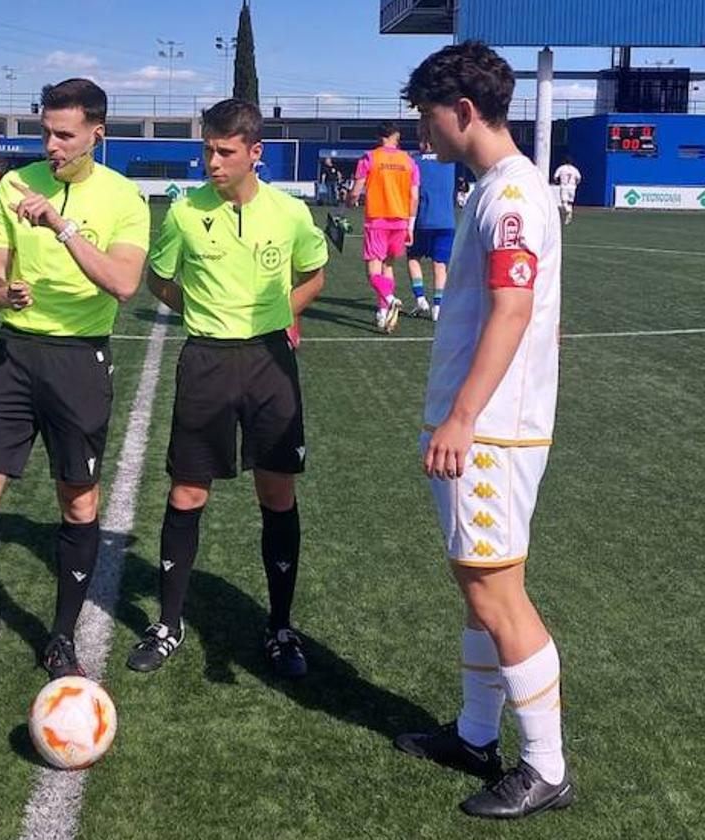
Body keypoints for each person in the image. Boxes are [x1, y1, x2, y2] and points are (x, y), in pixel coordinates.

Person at [394, 40, 572, 820]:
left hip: (492, 432)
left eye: (429, 119)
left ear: (463, 110)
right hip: (486, 424)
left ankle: (546, 766)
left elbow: (512, 308)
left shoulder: (509, 197)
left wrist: (464, 418)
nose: (423, 134)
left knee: (498, 593)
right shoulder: (494, 190)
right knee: (477, 586)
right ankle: (474, 734)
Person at [0, 77, 149, 681]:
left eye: (65, 135)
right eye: (45, 133)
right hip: (13, 354)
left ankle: (61, 636)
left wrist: (60, 226)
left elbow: (124, 283)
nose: (52, 145)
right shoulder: (13, 185)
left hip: (79, 360)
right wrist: (0, 291)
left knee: (78, 500)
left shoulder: (124, 199)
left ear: (96, 135)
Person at [127, 99, 328, 677]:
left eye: (224, 152)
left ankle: (280, 627)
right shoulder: (186, 214)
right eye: (207, 150)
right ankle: (168, 623)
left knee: (277, 494)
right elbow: (159, 280)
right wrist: (203, 312)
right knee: (188, 493)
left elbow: (314, 274)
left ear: (254, 153)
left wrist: (278, 312)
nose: (212, 162)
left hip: (269, 361)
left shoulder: (290, 214)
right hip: (206, 361)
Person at [348, 122, 419, 333]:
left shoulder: (369, 158)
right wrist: (411, 226)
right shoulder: (409, 161)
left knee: (373, 272)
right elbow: (414, 196)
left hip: (377, 220)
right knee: (388, 267)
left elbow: (355, 191)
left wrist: (351, 201)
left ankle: (388, 299)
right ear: (396, 136)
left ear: (380, 137)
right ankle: (381, 313)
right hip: (400, 222)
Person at [406, 138, 457, 322]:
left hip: (422, 220)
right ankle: (438, 306)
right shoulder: (450, 162)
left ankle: (420, 299)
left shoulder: (414, 162)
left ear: (426, 143)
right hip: (446, 221)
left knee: (413, 258)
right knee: (440, 265)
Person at [552, 156, 581, 226]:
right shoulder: (574, 169)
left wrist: (557, 182)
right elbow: (579, 178)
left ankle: (568, 211)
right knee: (570, 203)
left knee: (564, 202)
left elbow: (555, 177)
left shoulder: (561, 168)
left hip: (564, 186)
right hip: (572, 187)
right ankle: (569, 217)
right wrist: (576, 184)